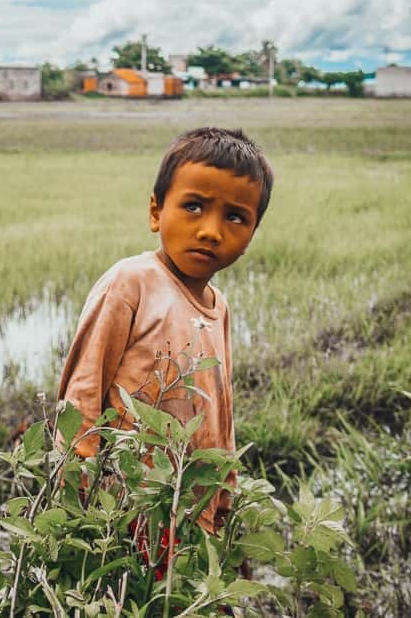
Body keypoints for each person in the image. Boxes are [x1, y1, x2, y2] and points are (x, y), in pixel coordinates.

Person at [57, 126, 274, 536]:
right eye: (193, 206)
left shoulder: (218, 307)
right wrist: (75, 505)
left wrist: (224, 504)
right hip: (125, 512)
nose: (211, 230)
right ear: (156, 212)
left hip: (192, 516)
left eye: (235, 217)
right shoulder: (132, 282)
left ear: (250, 236)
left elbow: (219, 416)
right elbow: (82, 393)